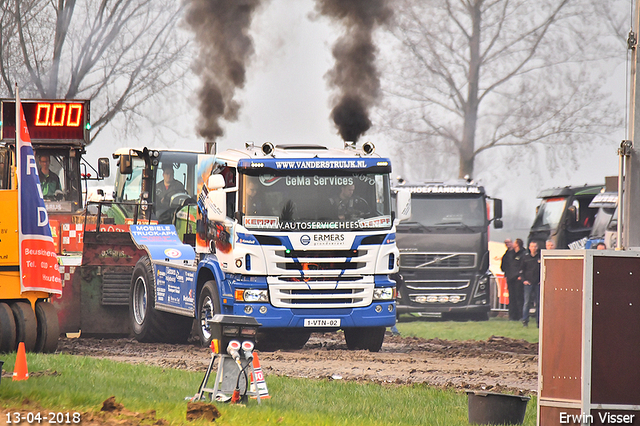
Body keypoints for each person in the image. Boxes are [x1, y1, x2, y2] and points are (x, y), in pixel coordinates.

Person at [501, 238, 525, 321]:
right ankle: (512, 316)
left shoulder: (523, 253)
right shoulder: (509, 254)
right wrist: (506, 273)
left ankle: (520, 315)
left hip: (518, 279)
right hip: (510, 278)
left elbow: (523, 265)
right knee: (511, 297)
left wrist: (521, 275)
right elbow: (504, 264)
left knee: (519, 297)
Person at [521, 240, 541, 327]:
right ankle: (525, 320)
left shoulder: (540, 257)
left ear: (537, 247)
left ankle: (538, 322)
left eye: (535, 246)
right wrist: (524, 280)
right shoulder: (525, 258)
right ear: (529, 247)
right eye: (532, 246)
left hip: (538, 283)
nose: (533, 248)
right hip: (528, 283)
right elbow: (521, 270)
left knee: (538, 303)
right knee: (527, 302)